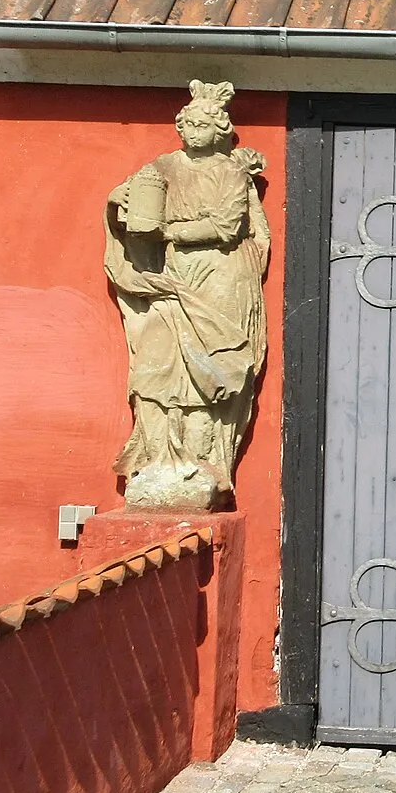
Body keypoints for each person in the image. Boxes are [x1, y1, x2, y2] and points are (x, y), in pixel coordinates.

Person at [104, 81, 269, 510]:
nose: (193, 131)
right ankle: (161, 458)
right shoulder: (161, 167)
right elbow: (133, 206)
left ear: (219, 129)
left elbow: (228, 226)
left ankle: (205, 463)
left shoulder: (230, 172)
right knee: (159, 365)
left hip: (222, 275)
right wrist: (118, 202)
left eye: (202, 124)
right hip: (174, 274)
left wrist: (169, 231)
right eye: (187, 123)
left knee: (213, 368)